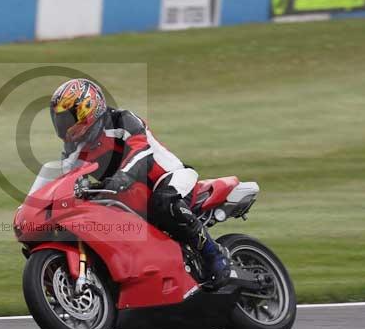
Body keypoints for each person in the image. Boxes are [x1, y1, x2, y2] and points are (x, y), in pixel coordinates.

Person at [49, 78, 231, 288]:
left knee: (165, 202)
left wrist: (122, 176)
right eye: (60, 121)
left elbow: (140, 151)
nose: (65, 126)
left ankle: (214, 255)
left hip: (169, 177)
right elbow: (68, 180)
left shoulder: (122, 120)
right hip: (131, 198)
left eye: (69, 119)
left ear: (88, 109)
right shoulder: (73, 150)